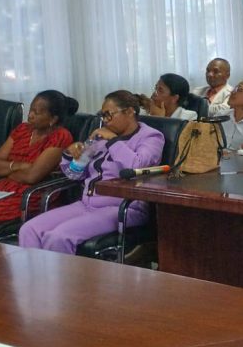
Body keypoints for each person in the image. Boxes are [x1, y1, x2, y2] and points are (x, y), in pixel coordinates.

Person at [18, 90, 164, 254]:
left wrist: (113, 140)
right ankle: (36, 272)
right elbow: (73, 174)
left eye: (109, 115)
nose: (105, 121)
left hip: (123, 208)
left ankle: (61, 272)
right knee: (29, 230)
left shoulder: (151, 137)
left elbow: (137, 167)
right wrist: (70, 155)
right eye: (102, 116)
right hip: (87, 204)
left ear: (130, 112)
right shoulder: (99, 139)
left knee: (58, 237)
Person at [0, 90, 75, 225]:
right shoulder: (22, 129)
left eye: (37, 113)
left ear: (53, 119)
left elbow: (32, 177)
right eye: (31, 110)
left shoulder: (60, 136)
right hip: (1, 189)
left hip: (30, 195)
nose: (30, 115)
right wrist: (19, 166)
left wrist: (7, 170)